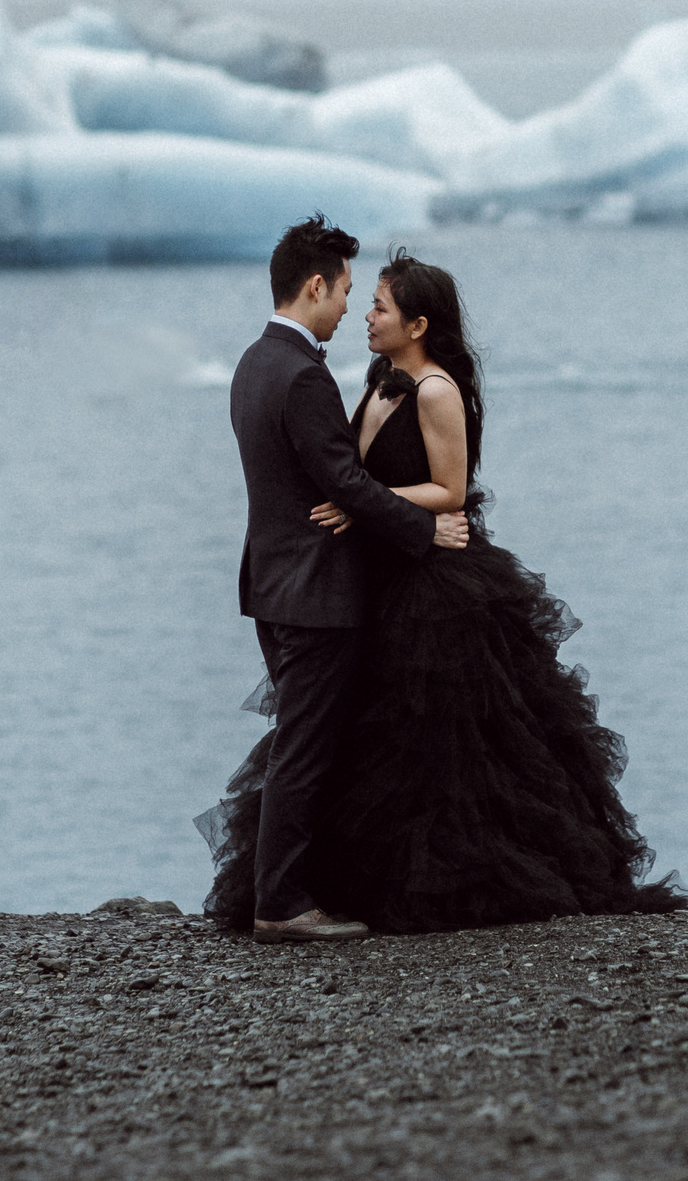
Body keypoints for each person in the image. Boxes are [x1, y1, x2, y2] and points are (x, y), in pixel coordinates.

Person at [206, 246, 688, 935]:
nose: (363, 313)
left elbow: (453, 491)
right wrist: (365, 501)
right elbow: (340, 471)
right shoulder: (375, 380)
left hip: (435, 582)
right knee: (367, 741)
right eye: (360, 297)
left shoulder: (434, 389)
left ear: (419, 324)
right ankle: (322, 891)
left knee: (451, 740)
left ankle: (448, 886)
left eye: (379, 305)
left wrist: (370, 501)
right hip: (379, 571)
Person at [225, 216, 472, 945]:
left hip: (271, 584)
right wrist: (428, 527)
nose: (349, 308)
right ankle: (283, 902)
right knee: (305, 748)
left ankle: (298, 886)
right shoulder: (303, 375)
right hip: (316, 593)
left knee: (305, 742)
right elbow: (343, 481)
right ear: (315, 285)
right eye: (345, 293)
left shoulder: (252, 362)